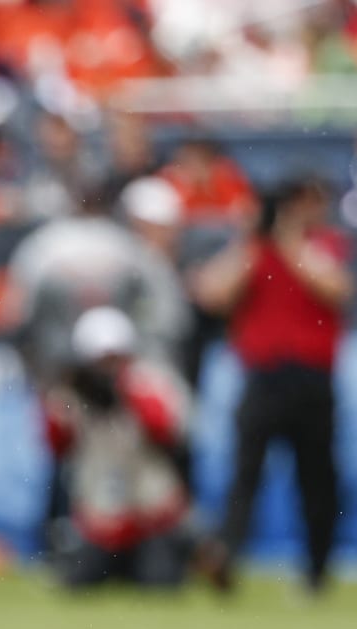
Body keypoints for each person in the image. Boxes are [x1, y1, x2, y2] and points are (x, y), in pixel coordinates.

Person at [194, 177, 351, 593]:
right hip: (264, 375)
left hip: (312, 377)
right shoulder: (254, 250)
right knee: (246, 474)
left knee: (316, 478)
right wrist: (250, 238)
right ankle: (227, 555)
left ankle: (316, 569)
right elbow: (211, 293)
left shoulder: (324, 244)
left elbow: (335, 287)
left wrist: (290, 241)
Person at [43, 306, 192, 589]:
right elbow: (56, 445)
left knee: (160, 582)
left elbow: (168, 432)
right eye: (101, 361)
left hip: (151, 520)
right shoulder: (73, 397)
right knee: (76, 582)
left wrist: (126, 392)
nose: (107, 369)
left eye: (114, 359)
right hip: (101, 523)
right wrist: (64, 401)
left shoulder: (149, 382)